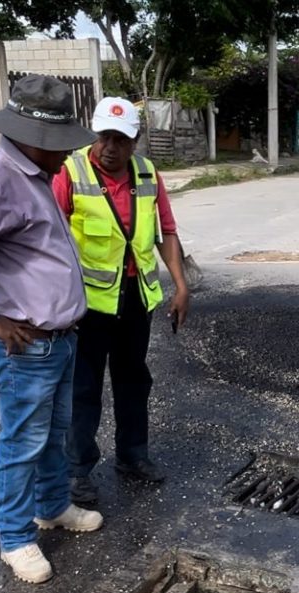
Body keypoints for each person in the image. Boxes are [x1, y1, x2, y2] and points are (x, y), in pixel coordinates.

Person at [0, 75, 105, 585]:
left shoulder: (28, 172)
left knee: (53, 434)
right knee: (23, 441)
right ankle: (14, 537)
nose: (65, 156)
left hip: (57, 339)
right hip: (26, 343)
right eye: (57, 147)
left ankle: (52, 507)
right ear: (29, 135)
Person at [52, 97, 191, 507]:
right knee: (84, 388)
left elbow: (167, 232)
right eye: (103, 137)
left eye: (121, 139)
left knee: (134, 379)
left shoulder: (147, 174)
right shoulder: (70, 172)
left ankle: (133, 456)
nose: (109, 147)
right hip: (87, 306)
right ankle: (77, 472)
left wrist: (180, 286)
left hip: (135, 299)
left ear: (135, 141)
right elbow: (49, 238)